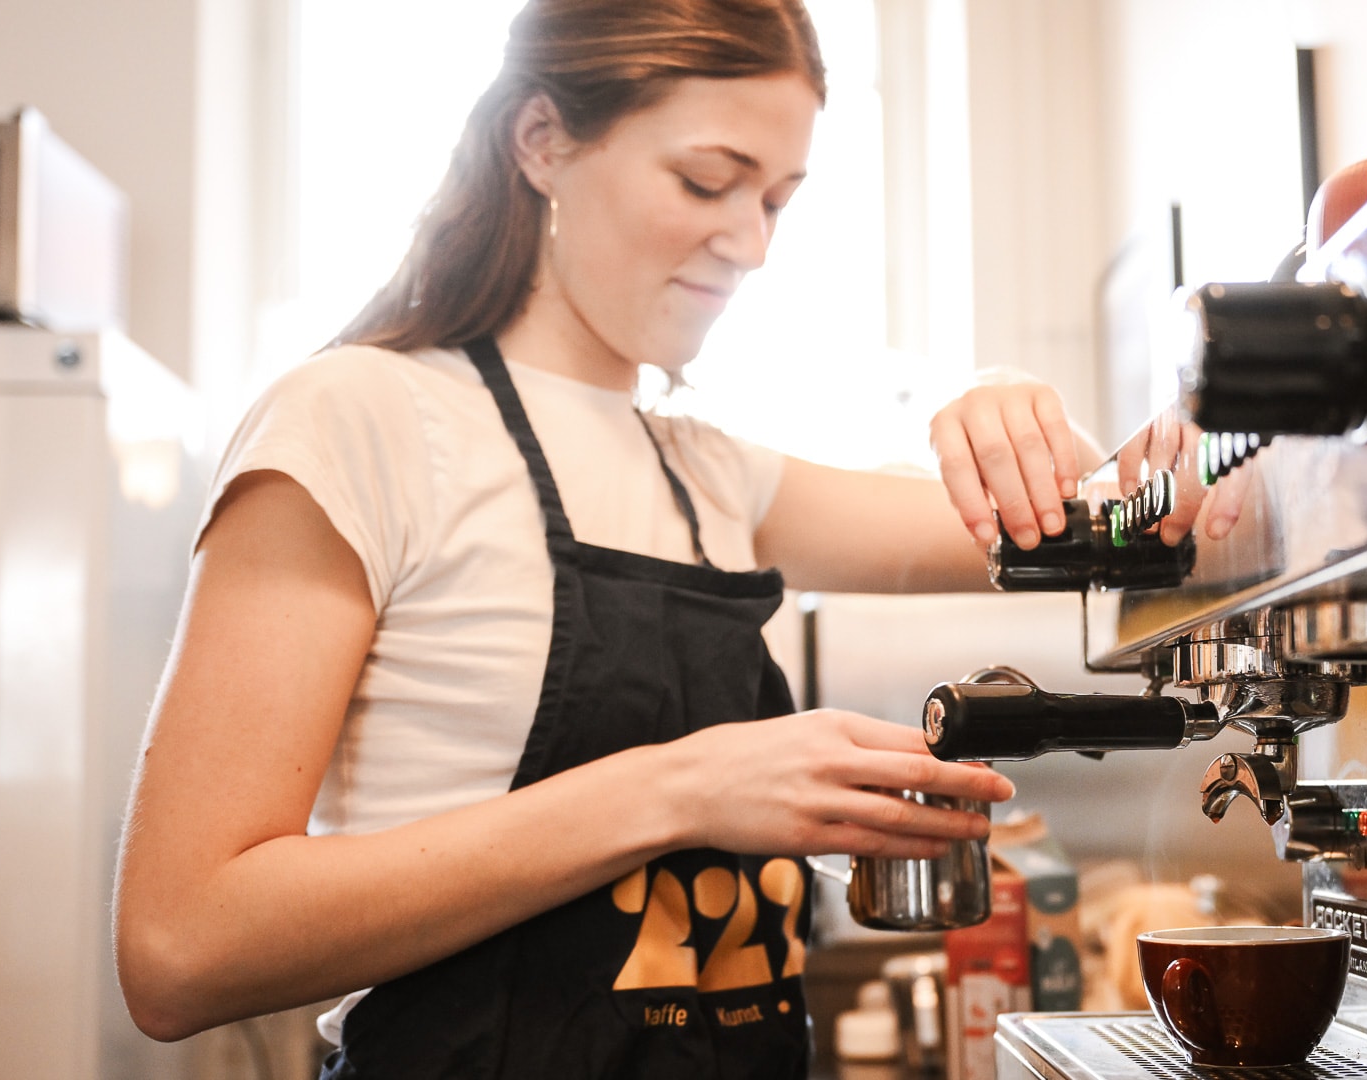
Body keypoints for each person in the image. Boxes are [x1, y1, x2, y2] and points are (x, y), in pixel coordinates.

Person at [111, 2, 1107, 1077]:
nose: (753, 242)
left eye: (776, 198)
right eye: (704, 181)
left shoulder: (709, 471)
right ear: (542, 141)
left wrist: (1002, 404)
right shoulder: (358, 418)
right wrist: (677, 788)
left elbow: (1095, 530)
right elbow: (180, 947)